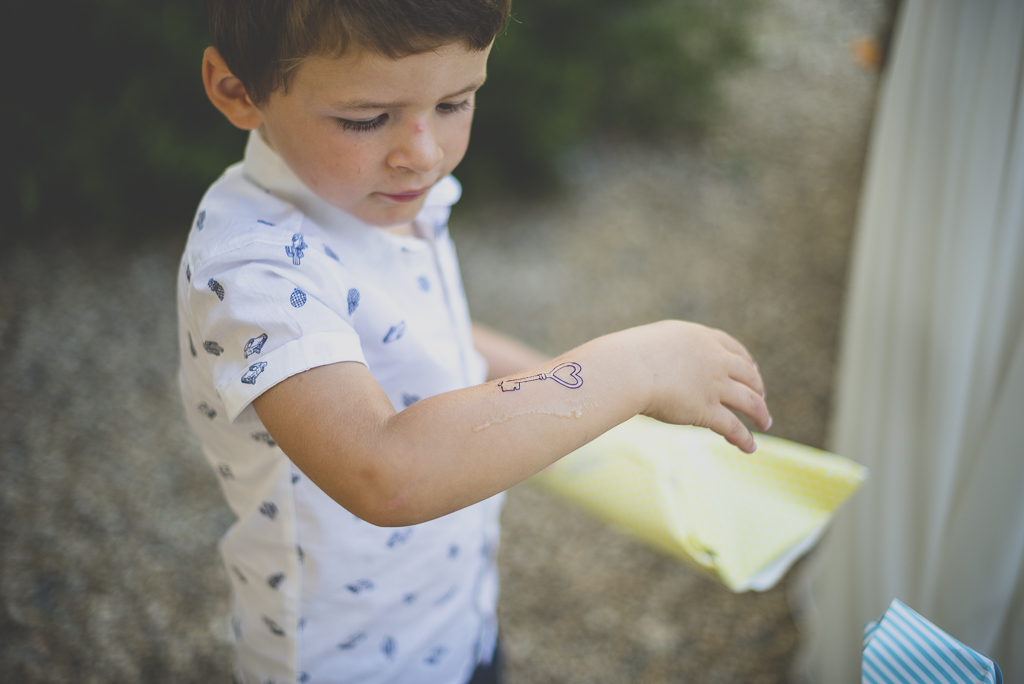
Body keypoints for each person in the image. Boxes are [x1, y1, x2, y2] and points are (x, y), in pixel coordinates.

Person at [178, 1, 771, 682]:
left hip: (454, 617)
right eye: (367, 119)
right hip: (352, 663)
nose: (423, 154)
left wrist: (595, 406)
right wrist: (630, 369)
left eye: (457, 102)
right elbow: (386, 471)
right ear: (238, 91)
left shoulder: (378, 189)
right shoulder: (255, 269)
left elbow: (429, 341)